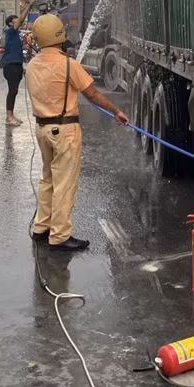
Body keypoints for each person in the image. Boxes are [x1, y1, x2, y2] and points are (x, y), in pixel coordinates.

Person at [26, 13, 128, 251]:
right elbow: (92, 94)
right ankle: (60, 235)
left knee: (48, 179)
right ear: (60, 36)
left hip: (42, 129)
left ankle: (41, 228)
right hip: (64, 130)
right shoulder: (67, 64)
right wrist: (116, 111)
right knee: (64, 183)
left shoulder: (31, 65)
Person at [1, 0, 35, 127]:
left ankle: (11, 114)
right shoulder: (10, 31)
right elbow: (21, 19)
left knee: (14, 91)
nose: (18, 21)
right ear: (10, 23)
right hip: (11, 67)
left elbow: (17, 52)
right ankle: (8, 117)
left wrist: (22, 67)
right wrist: (29, 6)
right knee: (12, 90)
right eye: (15, 20)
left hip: (16, 66)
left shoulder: (15, 34)